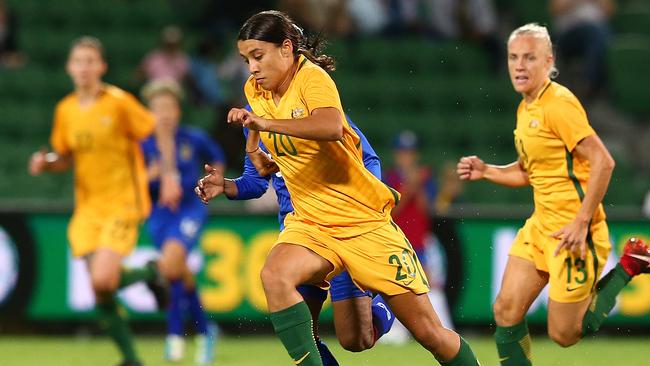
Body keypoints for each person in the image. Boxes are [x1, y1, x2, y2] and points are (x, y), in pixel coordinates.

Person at [205, 10, 480, 366]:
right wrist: (239, 170)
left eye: (258, 56)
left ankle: (381, 304)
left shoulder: (311, 79)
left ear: (286, 49)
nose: (252, 68)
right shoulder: (255, 91)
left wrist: (263, 125)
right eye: (246, 60)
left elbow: (332, 125)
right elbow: (258, 163)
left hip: (361, 223)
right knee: (274, 275)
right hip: (310, 224)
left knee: (395, 336)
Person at [456, 23, 650, 366]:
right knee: (505, 309)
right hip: (541, 227)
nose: (519, 65)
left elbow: (604, 161)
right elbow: (531, 172)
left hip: (573, 232)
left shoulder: (558, 104)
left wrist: (581, 222)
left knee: (564, 334)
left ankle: (630, 265)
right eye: (513, 57)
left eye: (529, 57)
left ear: (549, 61)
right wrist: (487, 171)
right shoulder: (526, 107)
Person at [197, 106, 395, 365]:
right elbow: (256, 182)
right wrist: (226, 185)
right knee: (304, 336)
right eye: (250, 63)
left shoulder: (316, 105)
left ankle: (390, 302)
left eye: (259, 62)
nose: (255, 70)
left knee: (356, 339)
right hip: (299, 235)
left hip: (340, 229)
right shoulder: (253, 114)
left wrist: (360, 207)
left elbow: (368, 159)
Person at [28, 36, 182, 366]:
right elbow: (64, 156)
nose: (84, 67)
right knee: (102, 291)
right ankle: (131, 359)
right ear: (70, 67)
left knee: (102, 280)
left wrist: (169, 174)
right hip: (87, 208)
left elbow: (160, 129)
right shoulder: (65, 110)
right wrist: (47, 162)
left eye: (90, 61)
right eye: (78, 61)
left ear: (101, 67)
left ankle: (149, 271)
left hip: (122, 201)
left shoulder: (118, 102)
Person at [140, 79, 225, 365]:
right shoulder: (143, 145)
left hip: (190, 209)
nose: (164, 113)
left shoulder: (192, 138)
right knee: (177, 271)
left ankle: (175, 334)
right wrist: (150, 176)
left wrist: (215, 181)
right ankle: (205, 330)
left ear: (178, 110)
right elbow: (131, 182)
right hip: (159, 214)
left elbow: (217, 157)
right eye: (158, 107)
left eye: (169, 107)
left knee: (171, 263)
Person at [383, 130, 454, 343]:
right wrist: (409, 187)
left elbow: (427, 211)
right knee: (393, 285)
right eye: (403, 151)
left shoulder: (426, 177)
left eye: (410, 152)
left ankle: (441, 329)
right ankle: (394, 331)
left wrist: (418, 186)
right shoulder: (388, 177)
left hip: (419, 242)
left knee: (427, 284)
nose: (406, 156)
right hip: (393, 240)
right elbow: (389, 211)